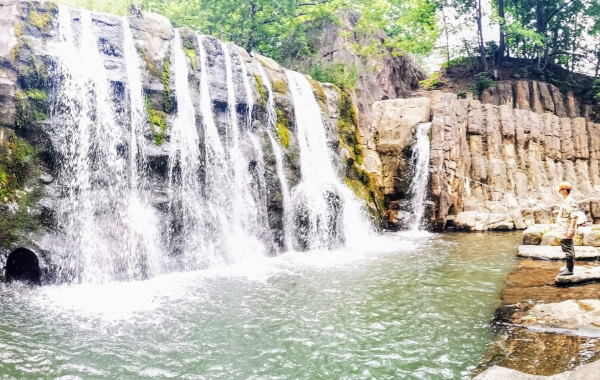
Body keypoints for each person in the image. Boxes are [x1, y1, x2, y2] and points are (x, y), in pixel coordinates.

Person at [555, 182, 578, 276]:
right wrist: (559, 213)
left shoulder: (570, 201)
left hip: (566, 229)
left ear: (564, 190)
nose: (559, 192)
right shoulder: (566, 200)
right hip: (563, 229)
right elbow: (567, 213)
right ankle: (569, 268)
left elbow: (574, 215)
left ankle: (569, 270)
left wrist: (571, 229)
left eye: (560, 190)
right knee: (569, 248)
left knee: (567, 248)